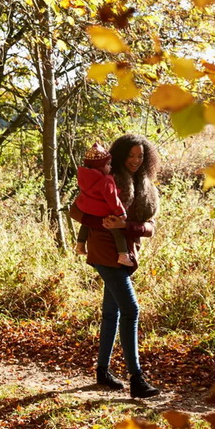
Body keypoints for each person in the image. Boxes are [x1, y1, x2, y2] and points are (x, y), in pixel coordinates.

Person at [70, 133, 161, 399]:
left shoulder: (147, 187)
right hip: (104, 250)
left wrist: (127, 226)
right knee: (131, 309)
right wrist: (107, 224)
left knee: (112, 313)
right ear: (119, 155)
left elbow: (151, 228)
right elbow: (75, 211)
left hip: (128, 253)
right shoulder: (106, 180)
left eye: (140, 156)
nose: (135, 160)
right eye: (130, 155)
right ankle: (137, 378)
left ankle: (102, 371)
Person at [74, 142, 133, 267]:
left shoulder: (84, 176)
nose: (110, 168)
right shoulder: (106, 180)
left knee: (86, 224)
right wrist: (121, 213)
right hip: (102, 209)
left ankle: (80, 244)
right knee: (116, 229)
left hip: (86, 207)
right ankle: (123, 255)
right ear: (100, 167)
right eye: (107, 164)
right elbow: (112, 199)